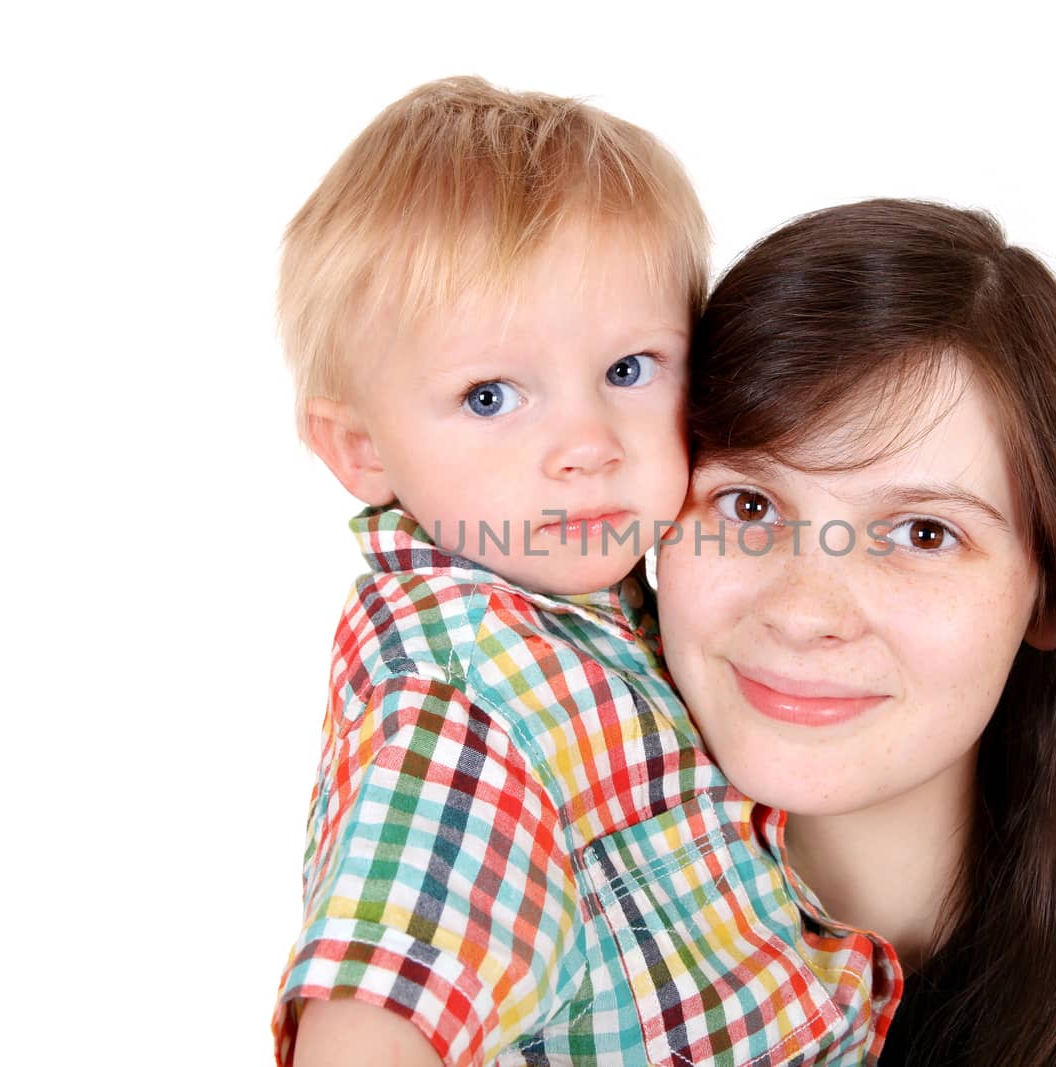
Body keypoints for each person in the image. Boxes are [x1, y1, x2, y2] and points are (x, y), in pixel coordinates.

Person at [271, 79, 897, 1066]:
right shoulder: (461, 696)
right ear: (360, 449)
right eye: (489, 394)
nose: (585, 443)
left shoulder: (599, 604)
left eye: (628, 368)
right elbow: (374, 1010)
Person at [656, 199, 1056, 1065]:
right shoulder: (492, 942)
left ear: (1053, 591)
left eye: (924, 532)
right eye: (749, 505)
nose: (804, 608)